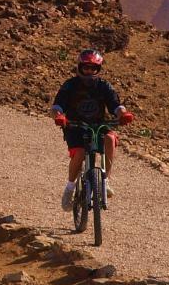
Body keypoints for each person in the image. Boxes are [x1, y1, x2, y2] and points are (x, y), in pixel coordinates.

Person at [51, 49, 133, 210]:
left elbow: (115, 105)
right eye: (86, 68)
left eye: (93, 68)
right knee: (80, 153)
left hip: (97, 125)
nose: (89, 71)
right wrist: (59, 116)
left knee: (110, 139)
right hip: (75, 125)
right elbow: (57, 105)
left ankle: (105, 181)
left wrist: (123, 114)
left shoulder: (104, 86)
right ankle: (69, 188)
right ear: (80, 68)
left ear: (98, 69)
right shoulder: (70, 85)